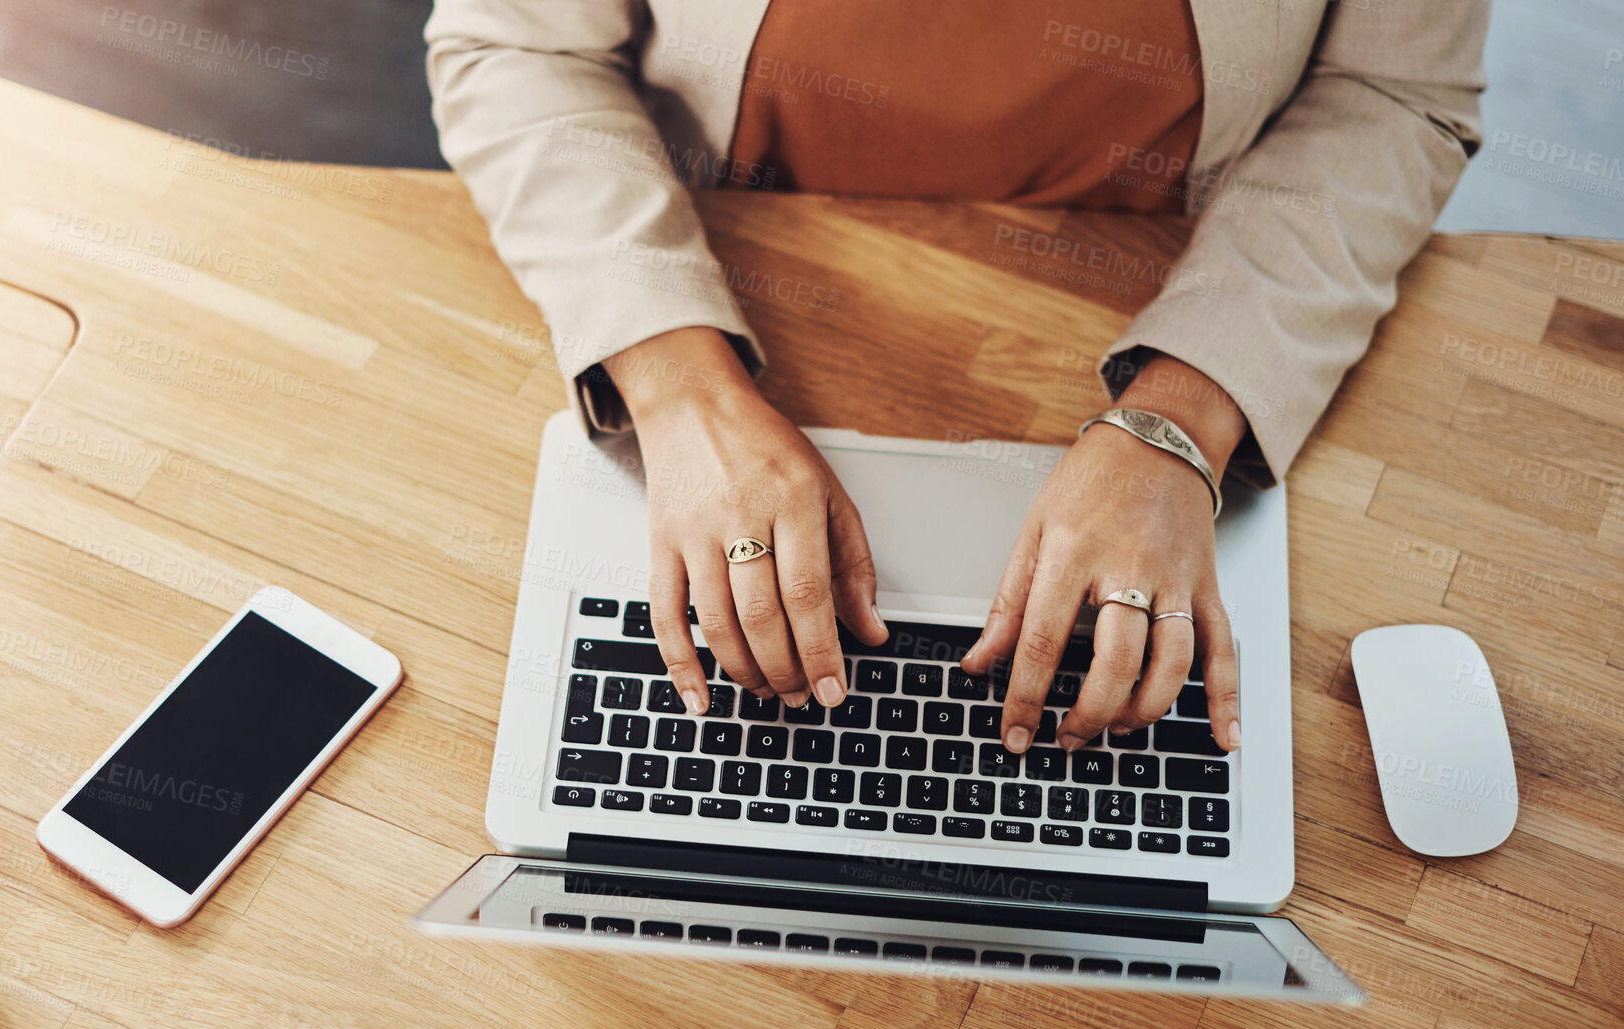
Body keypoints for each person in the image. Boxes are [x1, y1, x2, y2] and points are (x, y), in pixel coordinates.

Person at [426, 1, 1488, 755]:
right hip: (738, 277)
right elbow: (511, 46)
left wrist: (1183, 415)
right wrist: (676, 383)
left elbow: (1392, 93)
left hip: (1182, 287)